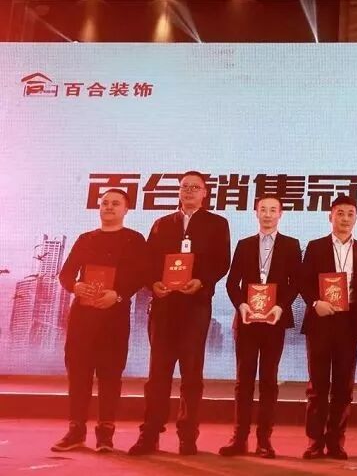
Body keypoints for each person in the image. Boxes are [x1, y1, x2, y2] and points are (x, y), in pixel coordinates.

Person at [129, 171, 231, 456]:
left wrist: (202, 281)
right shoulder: (162, 224)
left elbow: (222, 261)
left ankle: (188, 436)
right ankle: (150, 434)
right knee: (157, 375)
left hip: (195, 307)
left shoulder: (217, 223)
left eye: (195, 187)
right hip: (164, 308)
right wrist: (153, 283)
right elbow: (148, 261)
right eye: (185, 186)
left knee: (191, 375)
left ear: (205, 193)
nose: (189, 191)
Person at [53, 189, 148, 453]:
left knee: (110, 375)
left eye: (115, 203)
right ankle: (75, 431)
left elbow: (141, 275)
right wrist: (76, 286)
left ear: (126, 210)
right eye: (105, 203)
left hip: (114, 316)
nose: (109, 207)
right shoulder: (86, 239)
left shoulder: (134, 239)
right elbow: (66, 274)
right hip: (83, 317)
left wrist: (118, 295)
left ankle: (105, 434)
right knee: (78, 374)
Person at [218, 196, 302, 459]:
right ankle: (239, 438)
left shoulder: (291, 245)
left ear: (280, 214)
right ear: (256, 213)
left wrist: (280, 307)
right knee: (243, 381)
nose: (267, 214)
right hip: (247, 322)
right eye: (263, 210)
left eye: (272, 210)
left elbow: (296, 283)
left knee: (268, 380)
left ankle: (264, 440)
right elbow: (231, 283)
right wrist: (242, 305)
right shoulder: (244, 245)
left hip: (274, 322)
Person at [298, 195, 357, 460]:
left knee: (343, 387)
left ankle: (336, 441)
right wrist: (315, 302)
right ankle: (314, 442)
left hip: (348, 323)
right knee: (317, 386)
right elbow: (302, 281)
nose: (345, 219)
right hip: (320, 320)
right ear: (330, 217)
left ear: (356, 218)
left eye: (350, 214)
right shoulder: (315, 247)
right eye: (340, 213)